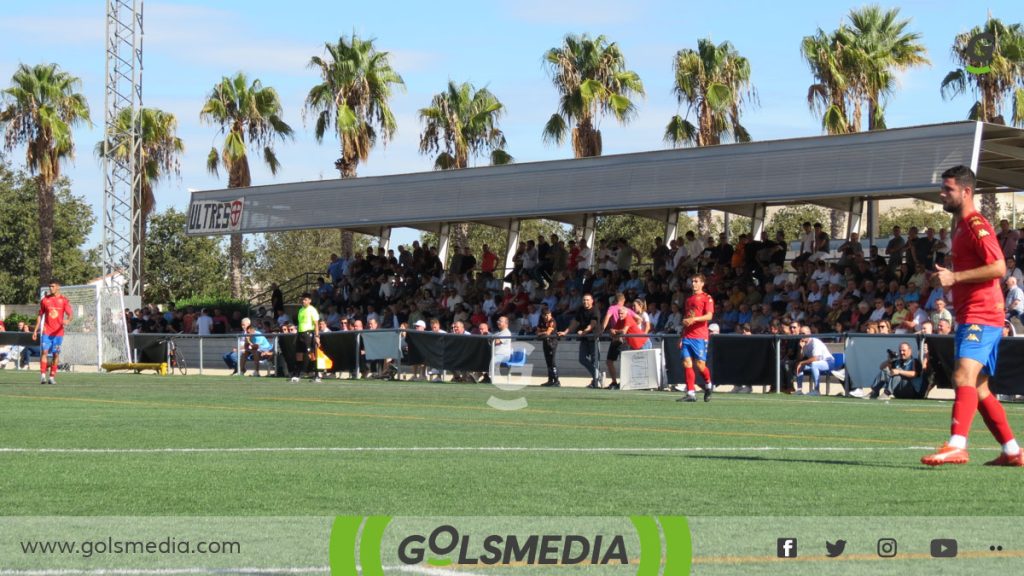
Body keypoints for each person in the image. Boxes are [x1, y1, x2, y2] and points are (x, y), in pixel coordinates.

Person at [922, 165, 1021, 467]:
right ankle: (1013, 450)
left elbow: (999, 267)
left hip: (982, 312)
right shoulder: (960, 225)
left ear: (966, 192)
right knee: (978, 388)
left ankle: (957, 445)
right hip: (973, 313)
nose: (942, 193)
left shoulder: (976, 223)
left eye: (948, 188)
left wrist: (956, 277)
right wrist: (945, 277)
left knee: (962, 375)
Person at [677, 274, 714, 403]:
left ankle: (708, 384)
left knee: (700, 365)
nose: (693, 283)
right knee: (687, 363)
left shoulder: (707, 298)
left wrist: (694, 319)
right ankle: (691, 393)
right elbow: (688, 318)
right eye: (692, 281)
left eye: (696, 281)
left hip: (700, 336)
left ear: (702, 284)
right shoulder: (688, 300)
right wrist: (682, 336)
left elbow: (709, 316)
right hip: (687, 336)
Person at [32, 281, 72, 385]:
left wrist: (68, 320)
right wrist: (36, 330)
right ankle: (43, 376)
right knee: (44, 352)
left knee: (56, 354)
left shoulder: (63, 300)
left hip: (58, 333)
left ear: (58, 287)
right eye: (49, 286)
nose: (50, 288)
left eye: (53, 286)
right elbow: (40, 315)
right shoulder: (45, 300)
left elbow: (70, 314)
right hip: (47, 331)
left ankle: (52, 377)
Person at [557, 293, 600, 388]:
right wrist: (565, 332)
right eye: (584, 300)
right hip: (584, 338)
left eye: (587, 300)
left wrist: (585, 331)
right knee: (582, 359)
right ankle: (598, 376)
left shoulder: (595, 310)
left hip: (593, 338)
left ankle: (596, 380)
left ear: (592, 301)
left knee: (595, 360)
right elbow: (575, 322)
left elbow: (592, 324)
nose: (585, 302)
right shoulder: (580, 310)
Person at [854, 342, 923, 399]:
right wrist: (889, 361)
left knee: (897, 374)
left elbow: (914, 374)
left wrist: (899, 371)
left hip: (911, 391)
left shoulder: (914, 361)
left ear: (910, 351)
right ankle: (874, 392)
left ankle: (886, 394)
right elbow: (881, 367)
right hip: (898, 391)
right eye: (900, 351)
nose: (901, 353)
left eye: (904, 350)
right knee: (885, 371)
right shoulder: (897, 361)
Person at [793, 326, 834, 396]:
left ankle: (817, 390)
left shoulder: (815, 342)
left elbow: (816, 358)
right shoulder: (802, 343)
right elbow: (800, 358)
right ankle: (799, 390)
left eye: (803, 333)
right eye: (800, 334)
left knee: (814, 364)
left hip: (828, 362)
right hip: (816, 363)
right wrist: (801, 348)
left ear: (809, 333)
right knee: (800, 366)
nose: (801, 335)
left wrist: (802, 362)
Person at [292, 293, 322, 383]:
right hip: (300, 334)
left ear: (309, 300)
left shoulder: (312, 310)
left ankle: (317, 376)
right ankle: (297, 375)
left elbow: (316, 324)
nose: (303, 301)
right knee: (298, 354)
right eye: (302, 299)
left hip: (308, 333)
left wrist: (317, 336)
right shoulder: (301, 310)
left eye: (305, 299)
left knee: (311, 354)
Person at [536, 307, 560, 387]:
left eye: (549, 315)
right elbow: (537, 332)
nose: (547, 317)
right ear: (543, 315)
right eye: (545, 315)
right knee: (548, 362)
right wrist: (542, 333)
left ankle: (556, 380)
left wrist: (541, 333)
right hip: (545, 342)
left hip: (552, 342)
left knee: (552, 361)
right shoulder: (541, 321)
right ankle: (550, 380)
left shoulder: (552, 321)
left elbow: (548, 333)